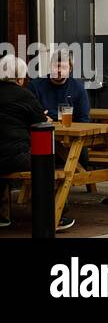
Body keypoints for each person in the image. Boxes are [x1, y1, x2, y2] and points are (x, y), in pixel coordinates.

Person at [0, 54, 74, 231]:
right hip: (16, 156)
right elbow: (41, 123)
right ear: (19, 78)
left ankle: (2, 216)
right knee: (47, 166)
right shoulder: (24, 95)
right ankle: (52, 216)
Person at [29, 49, 91, 125]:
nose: (59, 70)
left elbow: (83, 119)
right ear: (50, 66)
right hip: (43, 131)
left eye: (63, 67)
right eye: (55, 66)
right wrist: (39, 119)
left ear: (70, 69)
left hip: (70, 132)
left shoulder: (78, 89)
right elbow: (28, 114)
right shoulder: (35, 86)